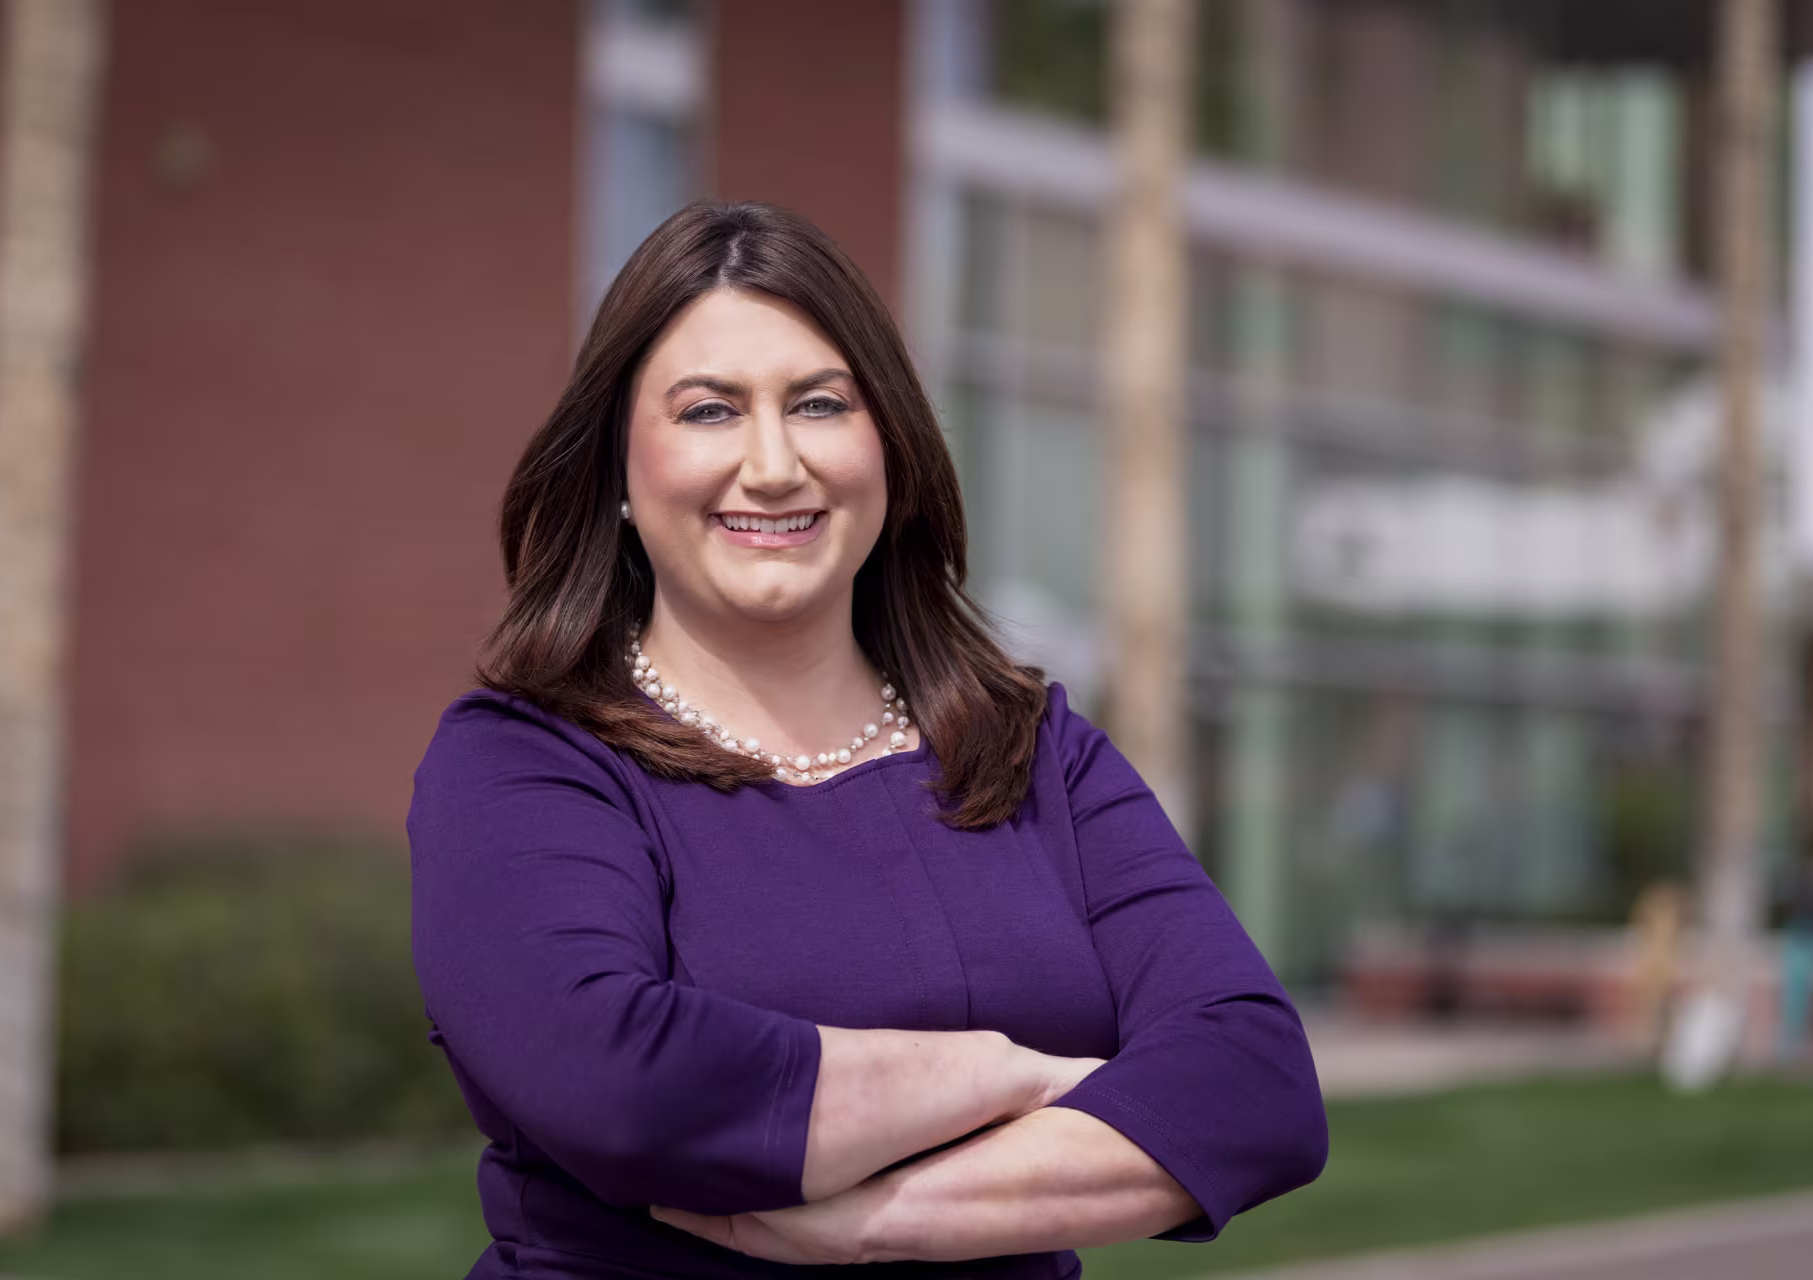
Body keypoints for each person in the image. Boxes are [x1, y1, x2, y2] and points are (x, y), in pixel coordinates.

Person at [408, 201, 1327, 1279]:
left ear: (886, 442)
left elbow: (1255, 1082)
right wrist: (1014, 1075)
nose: (773, 463)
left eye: (819, 403)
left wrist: (883, 1219)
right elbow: (617, 1080)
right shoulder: (528, 760)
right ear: (617, 468)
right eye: (709, 410)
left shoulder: (1034, 753)